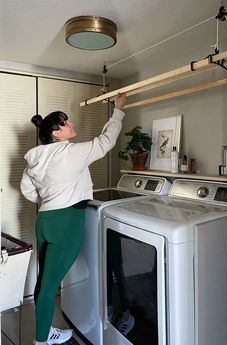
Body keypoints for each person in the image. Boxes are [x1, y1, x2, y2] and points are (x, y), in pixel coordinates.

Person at [20, 93, 126, 345]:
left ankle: (46, 332)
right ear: (56, 133)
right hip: (66, 221)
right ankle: (41, 342)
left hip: (45, 221)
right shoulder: (70, 152)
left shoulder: (35, 159)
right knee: (49, 286)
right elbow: (106, 141)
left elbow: (27, 190)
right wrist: (118, 109)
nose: (71, 125)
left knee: (44, 278)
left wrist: (50, 199)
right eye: (66, 123)